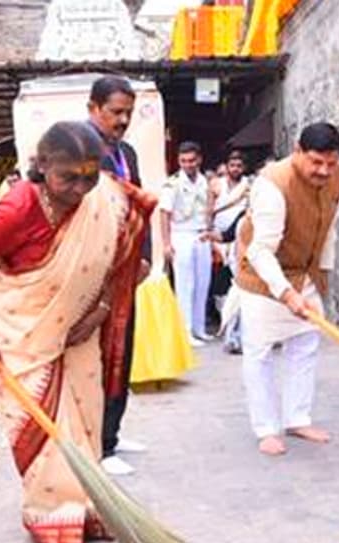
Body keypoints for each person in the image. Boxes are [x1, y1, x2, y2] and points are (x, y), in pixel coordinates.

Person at [0, 121, 155, 543]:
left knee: (85, 416)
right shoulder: (16, 209)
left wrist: (99, 311)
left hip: (78, 327)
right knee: (38, 423)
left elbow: (126, 262)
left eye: (89, 176)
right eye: (68, 177)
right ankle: (52, 511)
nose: (80, 189)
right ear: (42, 165)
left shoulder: (103, 199)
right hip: (20, 327)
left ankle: (89, 504)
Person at [234, 123, 339, 456]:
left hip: (305, 272)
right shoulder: (272, 184)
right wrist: (285, 294)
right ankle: (266, 428)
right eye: (316, 162)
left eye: (331, 163)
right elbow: (260, 250)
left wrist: (322, 277)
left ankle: (297, 418)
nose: (323, 171)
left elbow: (330, 227)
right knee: (260, 352)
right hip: (261, 274)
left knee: (306, 344)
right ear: (297, 150)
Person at [87, 74, 151, 476]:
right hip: (96, 271)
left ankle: (113, 431)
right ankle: (97, 443)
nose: (123, 120)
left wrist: (145, 257)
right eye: (115, 112)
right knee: (98, 357)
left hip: (128, 270)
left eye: (129, 112)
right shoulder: (81, 147)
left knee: (122, 352)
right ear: (93, 109)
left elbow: (140, 208)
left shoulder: (127, 151)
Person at [160, 141, 217, 347]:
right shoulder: (173, 183)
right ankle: (185, 331)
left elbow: (209, 209)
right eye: (183, 161)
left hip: (201, 234)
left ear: (199, 160)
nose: (188, 165)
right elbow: (164, 214)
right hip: (181, 234)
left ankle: (199, 328)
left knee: (203, 283)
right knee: (185, 285)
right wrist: (166, 243)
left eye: (191, 160)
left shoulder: (205, 181)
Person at [210, 150, 251, 354]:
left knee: (243, 292)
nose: (235, 169)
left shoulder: (249, 187)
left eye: (239, 166)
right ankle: (229, 333)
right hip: (221, 240)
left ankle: (240, 336)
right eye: (232, 165)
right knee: (223, 289)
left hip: (242, 244)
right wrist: (210, 236)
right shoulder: (216, 185)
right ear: (227, 167)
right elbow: (209, 210)